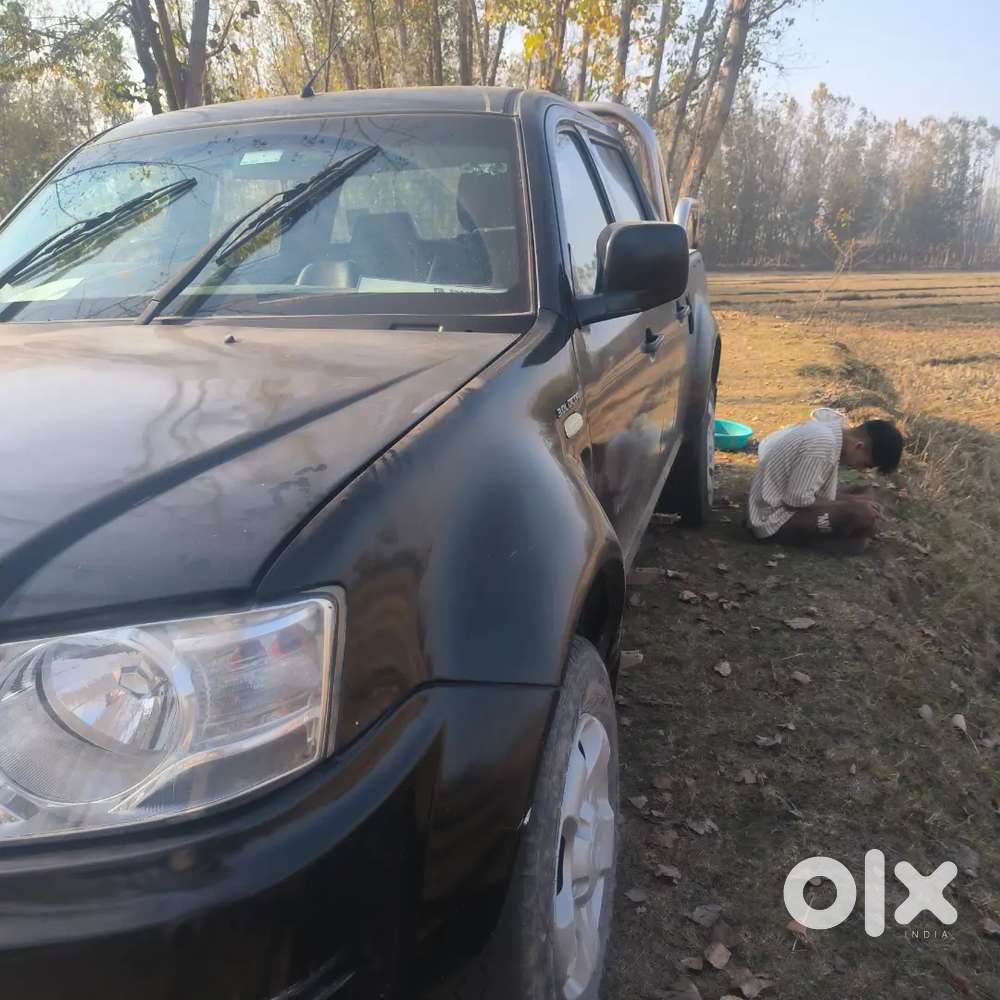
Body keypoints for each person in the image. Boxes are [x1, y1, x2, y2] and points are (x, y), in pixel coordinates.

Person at [746, 407, 904, 550]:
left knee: (865, 494)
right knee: (861, 518)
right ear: (859, 447)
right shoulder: (823, 444)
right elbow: (795, 501)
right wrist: (849, 506)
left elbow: (811, 492)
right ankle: (826, 538)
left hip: (783, 504)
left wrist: (854, 500)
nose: (861, 469)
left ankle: (841, 532)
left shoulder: (832, 434)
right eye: (865, 464)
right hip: (771, 520)